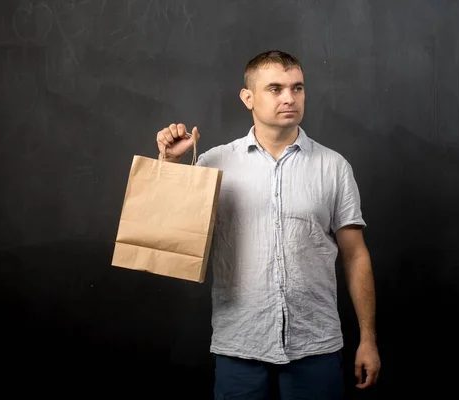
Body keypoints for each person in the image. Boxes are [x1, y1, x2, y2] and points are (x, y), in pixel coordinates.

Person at [155, 50, 380, 399]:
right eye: (275, 88)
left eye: (298, 88)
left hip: (316, 347)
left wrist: (368, 339)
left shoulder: (334, 167)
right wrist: (170, 165)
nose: (289, 98)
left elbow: (355, 256)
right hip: (240, 345)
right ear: (248, 98)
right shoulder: (214, 162)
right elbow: (172, 235)